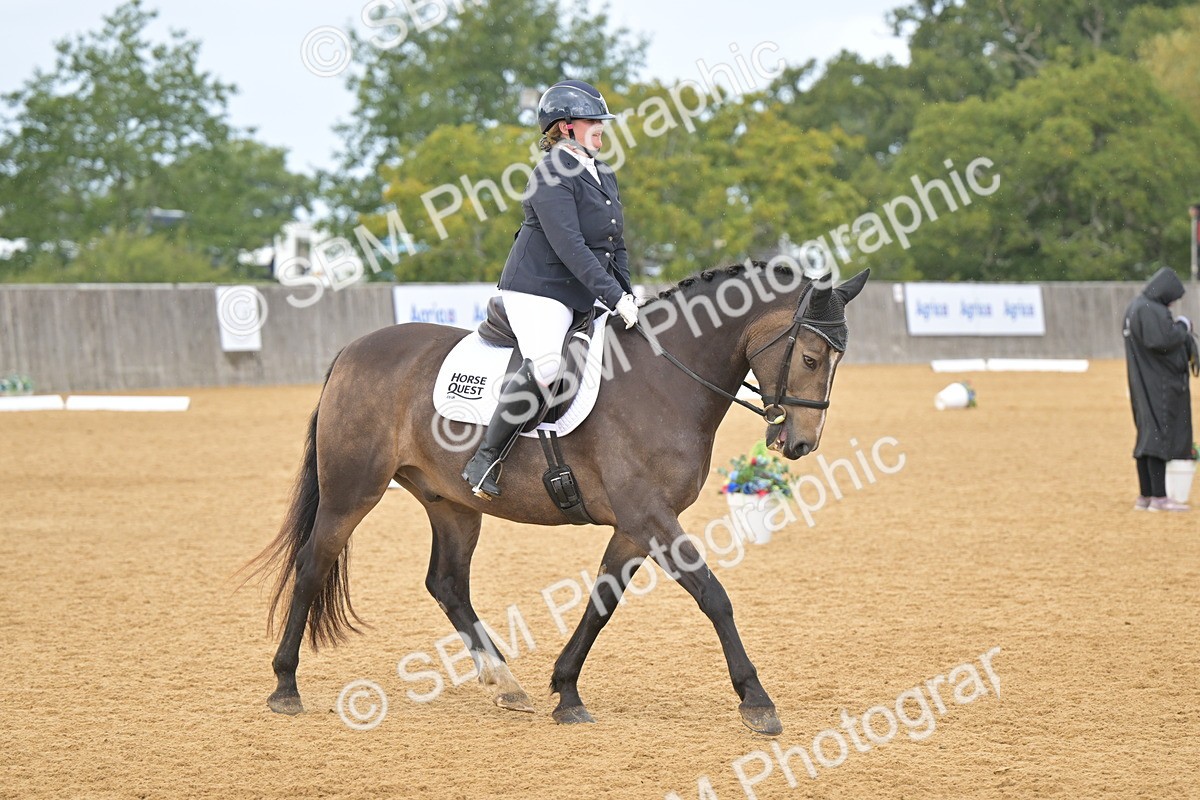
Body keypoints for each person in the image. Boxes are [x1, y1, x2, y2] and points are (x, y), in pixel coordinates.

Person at [462, 79, 639, 499]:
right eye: (592, 120)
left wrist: (628, 294)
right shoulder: (550, 174)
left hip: (580, 289)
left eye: (601, 121)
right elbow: (570, 246)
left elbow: (615, 244)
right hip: (539, 290)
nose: (601, 127)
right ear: (564, 127)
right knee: (545, 367)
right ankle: (484, 461)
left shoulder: (604, 173)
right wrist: (612, 298)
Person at [1123, 266, 1197, 512]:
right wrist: (1183, 327)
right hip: (1159, 384)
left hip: (1141, 382)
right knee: (1158, 436)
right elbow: (1163, 340)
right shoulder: (1151, 310)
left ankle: (1145, 495)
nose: (1173, 304)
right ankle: (1159, 497)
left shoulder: (1135, 308)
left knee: (1146, 437)